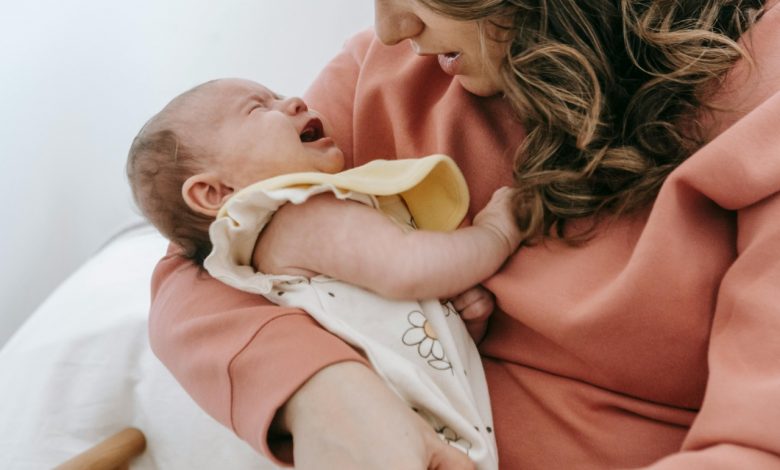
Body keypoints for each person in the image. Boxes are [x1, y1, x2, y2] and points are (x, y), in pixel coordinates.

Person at [148, 0, 780, 468]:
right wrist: (324, 391)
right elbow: (200, 257)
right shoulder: (386, 71)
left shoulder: (761, 94)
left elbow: (755, 446)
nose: (390, 28)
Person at [127, 77, 522, 469]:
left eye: (279, 94)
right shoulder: (300, 214)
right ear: (215, 193)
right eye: (258, 108)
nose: (296, 101)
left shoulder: (284, 244)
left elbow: (387, 335)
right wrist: (496, 234)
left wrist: (455, 323)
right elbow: (410, 269)